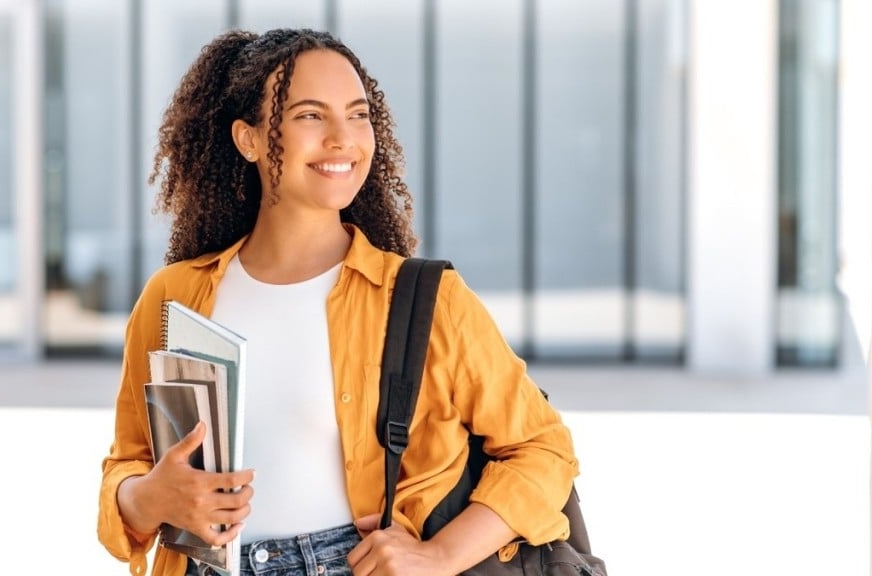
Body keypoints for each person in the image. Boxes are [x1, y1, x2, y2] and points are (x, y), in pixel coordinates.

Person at [97, 28, 579, 576]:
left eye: (358, 115)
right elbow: (129, 466)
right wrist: (149, 498)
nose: (343, 138)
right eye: (309, 115)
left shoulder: (426, 298)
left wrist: (441, 554)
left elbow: (543, 450)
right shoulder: (174, 297)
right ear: (248, 139)